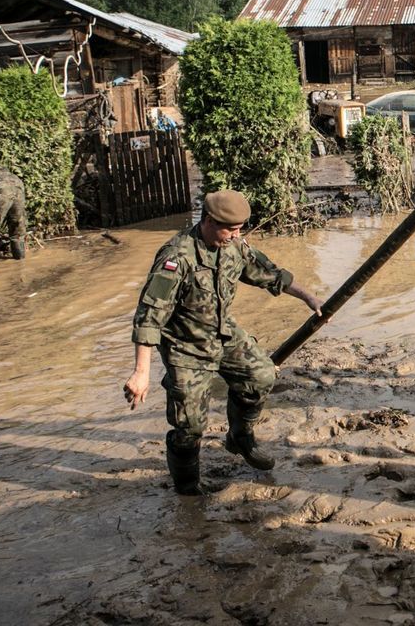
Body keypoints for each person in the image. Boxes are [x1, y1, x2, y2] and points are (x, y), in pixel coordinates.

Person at [122, 190, 324, 496]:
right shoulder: (177, 257)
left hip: (222, 333)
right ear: (208, 221)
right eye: (229, 229)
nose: (235, 235)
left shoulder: (234, 246)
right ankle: (187, 488)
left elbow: (268, 274)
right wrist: (141, 372)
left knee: (262, 375)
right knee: (188, 427)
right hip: (185, 347)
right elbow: (149, 317)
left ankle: (241, 437)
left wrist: (310, 298)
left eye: (240, 228)